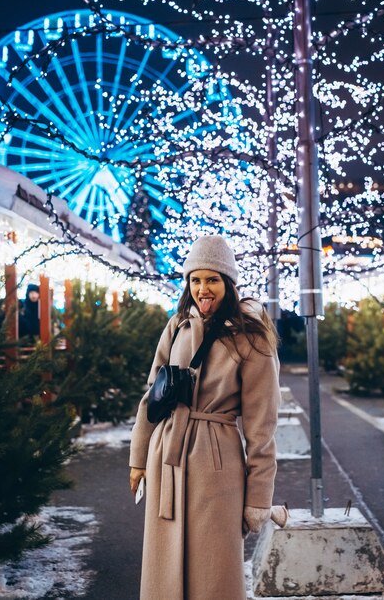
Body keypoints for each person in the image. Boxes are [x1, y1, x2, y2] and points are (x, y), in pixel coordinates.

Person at [129, 235, 281, 600]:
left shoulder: (250, 336)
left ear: (228, 283)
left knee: (213, 569)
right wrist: (138, 458)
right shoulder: (177, 325)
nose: (202, 289)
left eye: (212, 279)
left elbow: (262, 426)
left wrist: (258, 497)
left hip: (216, 464)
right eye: (195, 280)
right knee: (163, 566)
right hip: (167, 455)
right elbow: (152, 396)